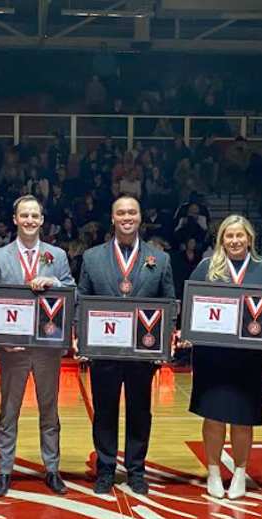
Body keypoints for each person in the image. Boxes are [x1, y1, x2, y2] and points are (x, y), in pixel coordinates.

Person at [185, 215, 262, 500]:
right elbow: (191, 305)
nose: (234, 241)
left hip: (251, 359)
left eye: (239, 236)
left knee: (243, 418)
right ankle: (214, 472)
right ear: (221, 240)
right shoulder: (206, 268)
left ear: (249, 239)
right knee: (214, 417)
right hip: (212, 357)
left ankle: (241, 473)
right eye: (228, 236)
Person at [77, 196, 176, 495]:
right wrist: (81, 337)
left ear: (140, 217)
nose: (126, 217)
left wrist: (164, 344)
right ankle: (105, 469)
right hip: (104, 350)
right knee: (104, 411)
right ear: (112, 218)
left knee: (139, 411)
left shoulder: (160, 258)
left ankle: (136, 470)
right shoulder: (92, 257)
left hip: (142, 352)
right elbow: (82, 298)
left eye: (132, 212)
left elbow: (168, 303)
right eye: (121, 212)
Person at [0, 195, 76, 497]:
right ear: (15, 219)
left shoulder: (56, 255)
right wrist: (0, 342)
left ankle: (52, 469)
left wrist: (53, 282)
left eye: (35, 215)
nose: (30, 221)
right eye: (25, 215)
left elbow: (72, 288)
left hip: (48, 347)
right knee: (9, 411)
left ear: (42, 220)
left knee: (49, 410)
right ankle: (5, 471)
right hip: (14, 350)